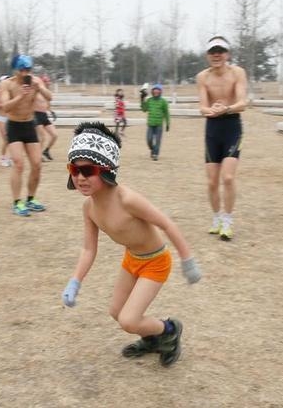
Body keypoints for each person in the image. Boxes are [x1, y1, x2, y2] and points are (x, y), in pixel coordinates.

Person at [61, 122, 201, 367]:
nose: (80, 177)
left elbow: (166, 224)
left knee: (128, 320)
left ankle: (169, 330)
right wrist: (75, 281)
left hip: (155, 262)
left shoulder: (127, 199)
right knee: (117, 312)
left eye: (88, 170)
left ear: (106, 170)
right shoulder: (89, 208)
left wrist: (187, 261)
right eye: (75, 169)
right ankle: (151, 340)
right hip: (131, 260)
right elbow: (88, 249)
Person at [196, 36, 248, 241]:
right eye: (212, 51)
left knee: (227, 177)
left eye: (220, 51)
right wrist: (211, 110)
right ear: (208, 55)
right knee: (211, 182)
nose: (216, 55)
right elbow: (202, 107)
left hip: (232, 126)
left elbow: (243, 102)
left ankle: (227, 220)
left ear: (227, 54)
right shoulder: (202, 77)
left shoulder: (238, 73)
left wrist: (226, 108)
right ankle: (216, 218)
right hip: (212, 128)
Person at [0, 54, 51, 217]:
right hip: (14, 126)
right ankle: (16, 202)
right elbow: (5, 107)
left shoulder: (35, 81)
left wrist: (39, 87)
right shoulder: (7, 84)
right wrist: (20, 95)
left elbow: (50, 97)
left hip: (29, 125)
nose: (25, 72)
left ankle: (30, 199)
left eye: (28, 69)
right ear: (16, 70)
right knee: (19, 164)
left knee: (37, 164)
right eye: (22, 69)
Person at [140, 83, 170, 161]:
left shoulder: (163, 101)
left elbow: (166, 113)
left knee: (157, 141)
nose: (156, 92)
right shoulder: (149, 100)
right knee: (149, 140)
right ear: (152, 91)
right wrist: (142, 99)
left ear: (160, 92)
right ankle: (153, 149)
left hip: (159, 125)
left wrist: (168, 124)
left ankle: (155, 154)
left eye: (158, 90)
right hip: (150, 124)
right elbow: (144, 109)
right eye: (154, 90)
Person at [34, 74, 58, 161]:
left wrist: (51, 112)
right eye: (47, 81)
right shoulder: (36, 91)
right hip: (36, 115)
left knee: (55, 135)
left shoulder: (46, 92)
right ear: (42, 82)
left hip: (44, 115)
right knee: (42, 137)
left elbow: (47, 104)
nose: (49, 83)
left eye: (49, 81)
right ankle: (38, 156)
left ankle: (46, 151)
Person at [0, 75, 12, 167]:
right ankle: (2, 158)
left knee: (10, 139)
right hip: (1, 118)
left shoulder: (9, 92)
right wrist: (6, 105)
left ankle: (8, 158)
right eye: (6, 80)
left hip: (9, 118)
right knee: (6, 139)